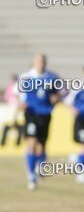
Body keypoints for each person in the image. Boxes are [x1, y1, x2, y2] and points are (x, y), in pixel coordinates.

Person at [16, 54, 62, 190]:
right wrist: (19, 103)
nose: (40, 63)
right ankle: (31, 175)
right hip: (31, 113)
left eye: (42, 61)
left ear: (45, 63)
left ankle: (39, 166)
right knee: (32, 142)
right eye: (37, 61)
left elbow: (63, 92)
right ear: (33, 62)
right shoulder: (26, 77)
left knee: (41, 146)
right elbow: (15, 93)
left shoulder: (52, 77)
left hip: (45, 114)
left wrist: (57, 97)